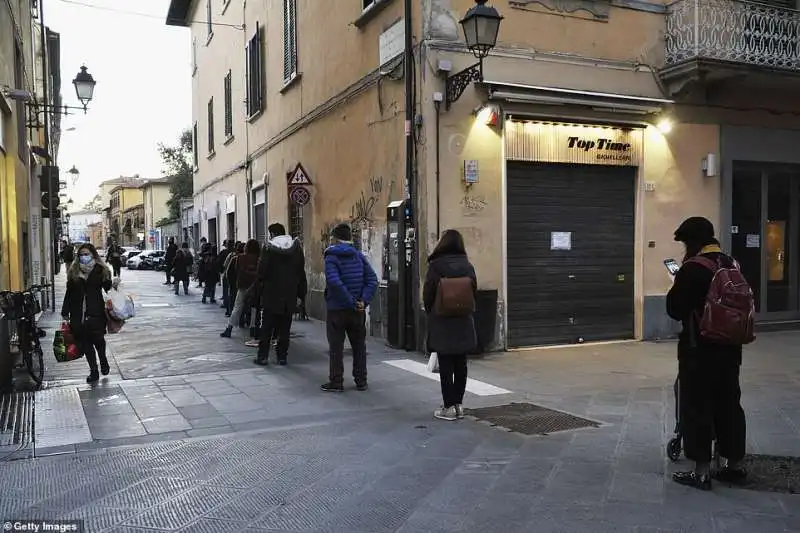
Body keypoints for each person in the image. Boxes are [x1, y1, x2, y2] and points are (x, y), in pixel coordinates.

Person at [667, 216, 748, 491]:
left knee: (697, 406)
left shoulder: (692, 268)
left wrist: (677, 282)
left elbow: (674, 309)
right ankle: (733, 465)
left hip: (698, 350)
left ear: (691, 242)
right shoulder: (731, 263)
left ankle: (701, 472)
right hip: (730, 348)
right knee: (729, 403)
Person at [423, 229, 477, 420]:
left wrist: (433, 312)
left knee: (446, 365)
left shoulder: (436, 266)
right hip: (463, 319)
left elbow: (428, 294)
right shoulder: (467, 265)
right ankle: (459, 405)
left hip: (443, 321)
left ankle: (449, 407)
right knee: (461, 363)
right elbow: (474, 291)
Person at [320, 223, 378, 392]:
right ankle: (361, 380)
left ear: (336, 239)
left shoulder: (331, 257)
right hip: (357, 311)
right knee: (359, 346)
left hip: (337, 310)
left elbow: (334, 282)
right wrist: (363, 301)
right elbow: (372, 280)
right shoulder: (359, 256)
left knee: (336, 347)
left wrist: (351, 301)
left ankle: (336, 381)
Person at [61, 243, 114, 383]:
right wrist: (65, 312)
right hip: (78, 315)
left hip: (96, 312)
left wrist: (112, 284)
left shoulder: (101, 270)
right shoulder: (74, 271)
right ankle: (94, 371)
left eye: (87, 254)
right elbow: (69, 293)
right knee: (85, 344)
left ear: (93, 255)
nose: (84, 257)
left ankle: (103, 360)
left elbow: (107, 288)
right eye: (81, 255)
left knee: (99, 341)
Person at [255, 223, 307, 366]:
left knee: (266, 327)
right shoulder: (296, 249)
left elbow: (262, 272)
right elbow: (301, 273)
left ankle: (263, 356)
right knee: (285, 328)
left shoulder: (268, 249)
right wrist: (301, 295)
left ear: (272, 234)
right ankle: (282, 356)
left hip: (271, 294)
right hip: (290, 295)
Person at [221, 240, 260, 339]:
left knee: (237, 307)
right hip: (255, 286)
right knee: (254, 308)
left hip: (242, 285)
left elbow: (236, 272)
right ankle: (253, 329)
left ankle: (229, 329)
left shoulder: (239, 258)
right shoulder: (259, 259)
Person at [218, 240, 234, 310]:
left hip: (226, 273)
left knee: (225, 289)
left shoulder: (224, 252)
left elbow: (220, 262)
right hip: (234, 274)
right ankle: (230, 303)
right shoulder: (236, 252)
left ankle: (226, 303)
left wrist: (220, 270)